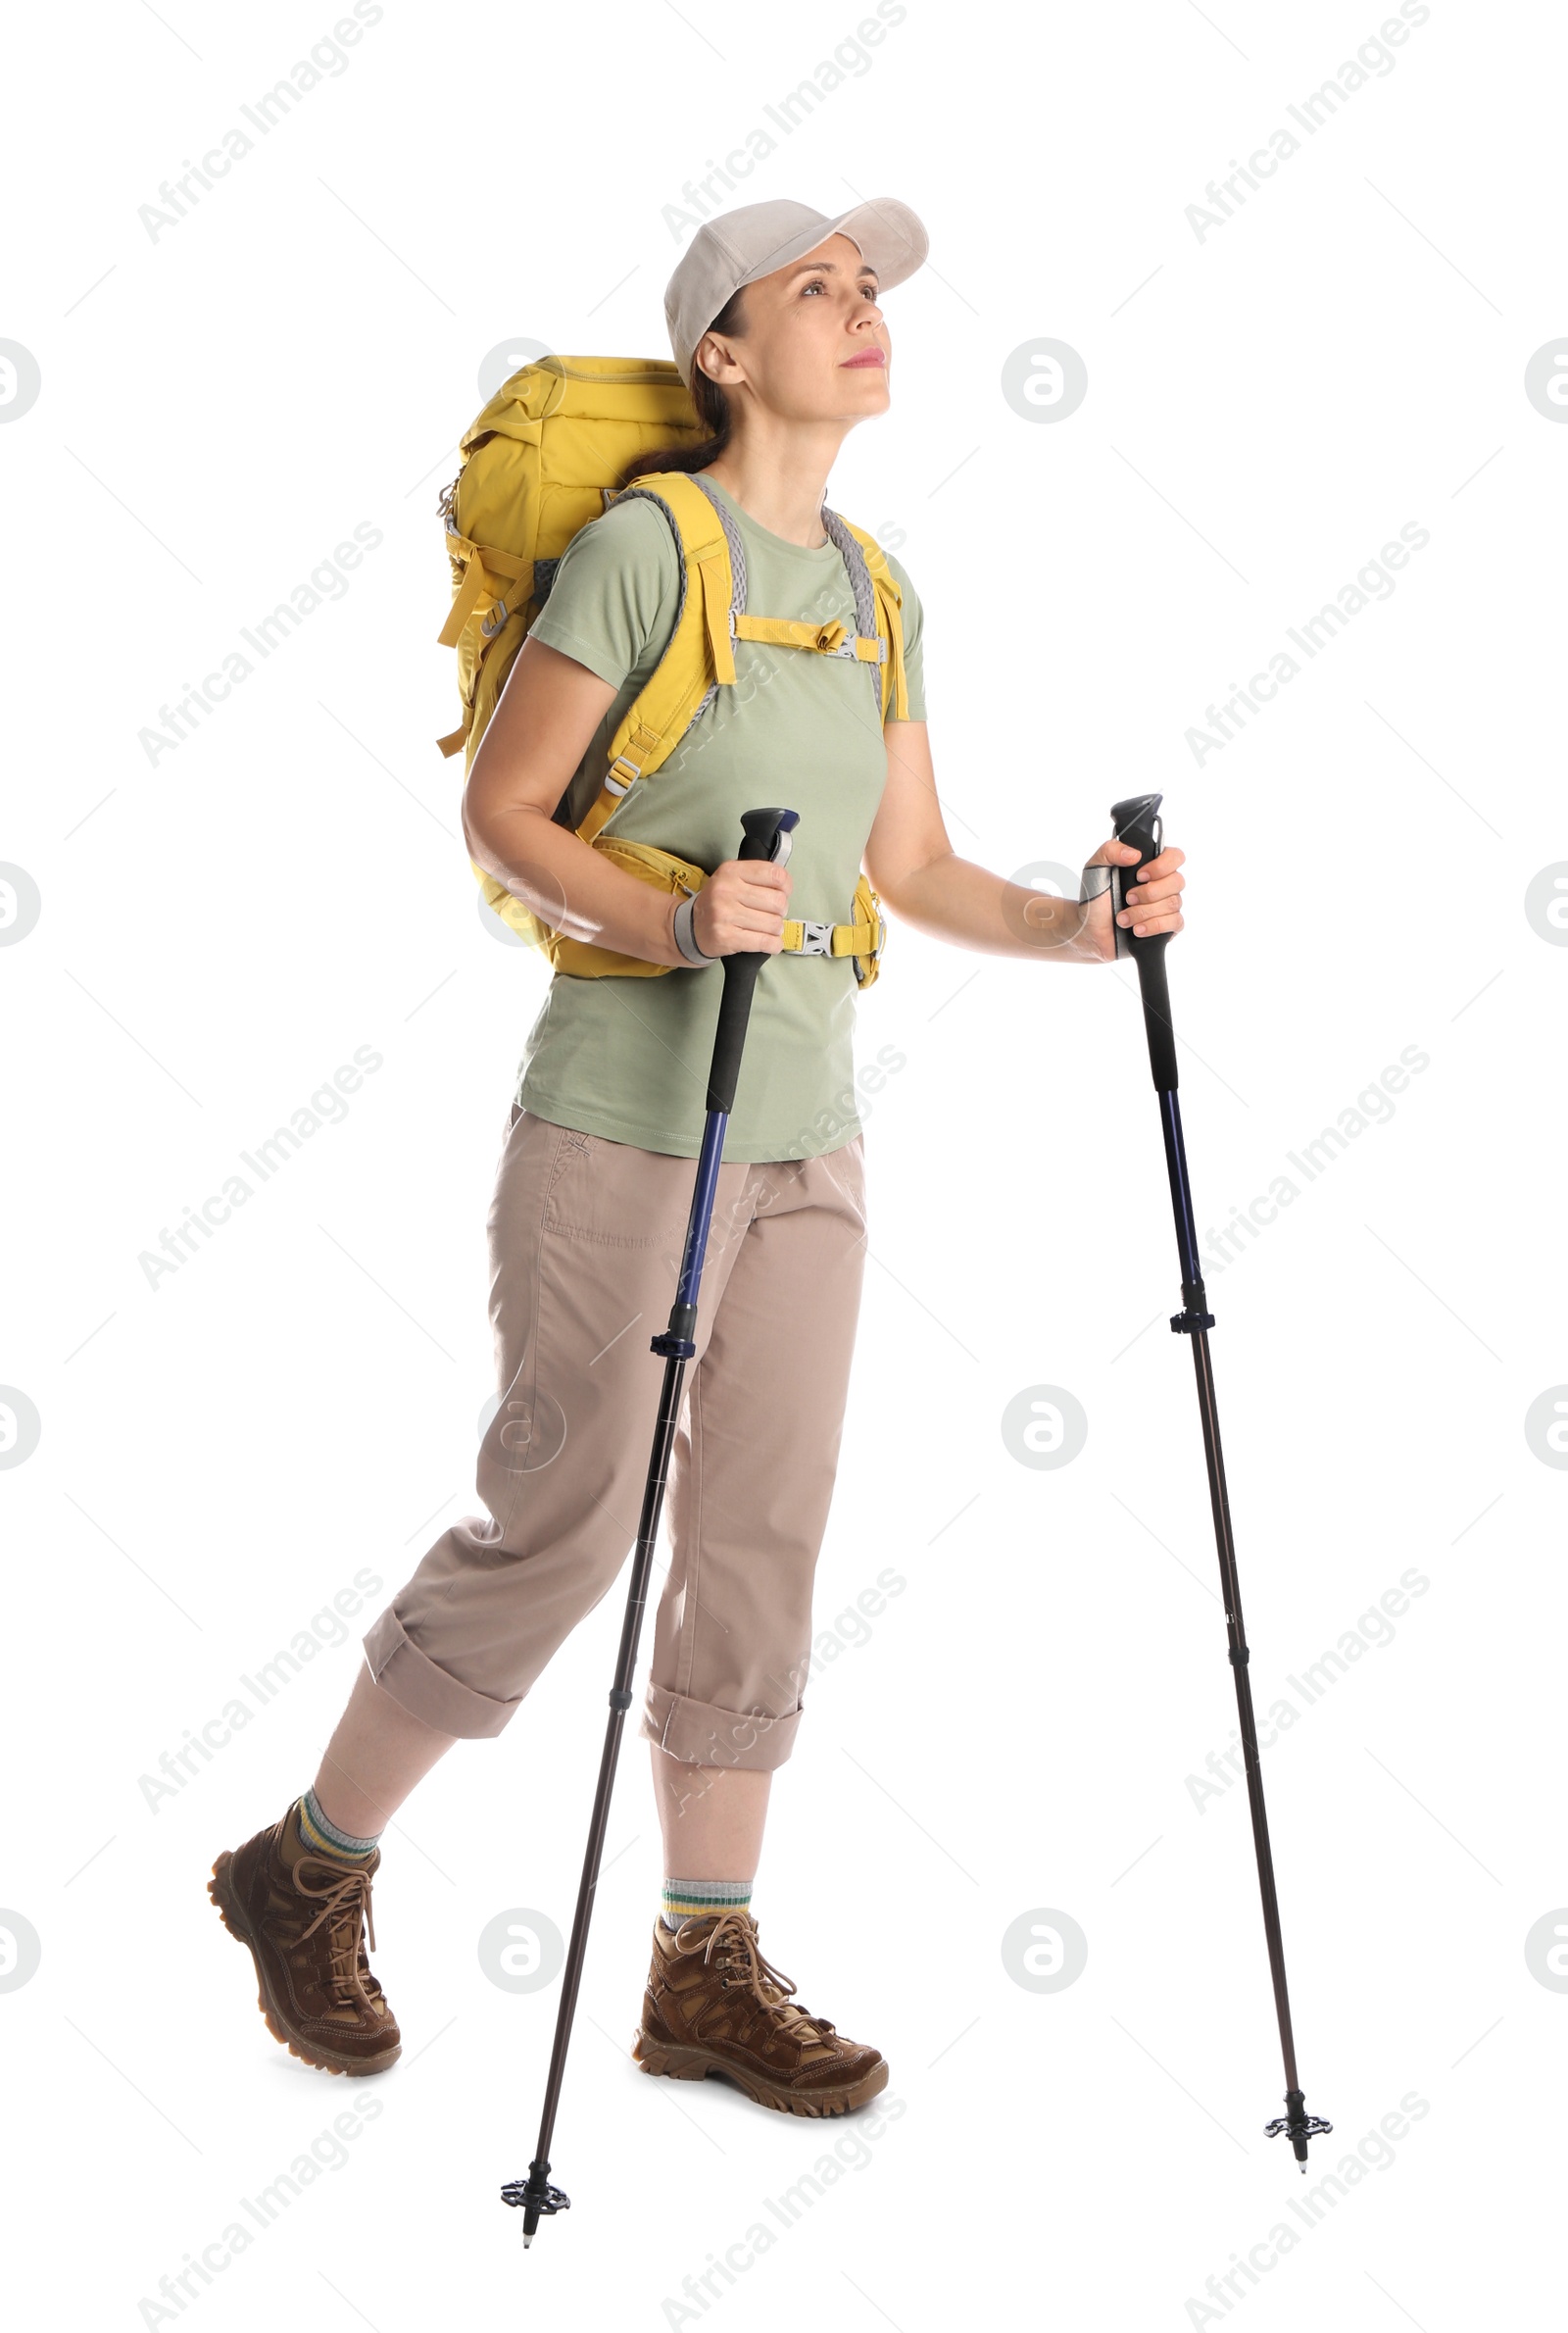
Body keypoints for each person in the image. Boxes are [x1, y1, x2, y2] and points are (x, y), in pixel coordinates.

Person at [208, 196, 1186, 2111]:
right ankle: (301, 1865)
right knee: (564, 1527)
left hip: (809, 1121)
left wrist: (1080, 919)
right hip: (626, 1113)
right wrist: (673, 924)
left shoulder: (874, 586)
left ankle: (701, 1961)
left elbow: (904, 867)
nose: (859, 307)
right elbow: (505, 807)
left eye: (869, 284)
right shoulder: (650, 549)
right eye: (811, 289)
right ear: (722, 355)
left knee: (755, 1540)